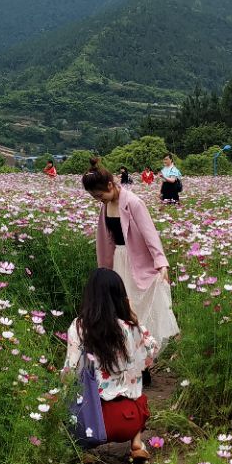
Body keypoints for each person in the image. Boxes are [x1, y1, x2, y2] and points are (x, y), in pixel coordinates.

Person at [82, 157, 179, 376]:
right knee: (121, 312)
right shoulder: (106, 207)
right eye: (94, 197)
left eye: (100, 195)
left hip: (138, 262)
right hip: (117, 262)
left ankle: (144, 362)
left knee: (140, 311)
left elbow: (150, 234)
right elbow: (105, 239)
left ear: (110, 185)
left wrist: (161, 263)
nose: (99, 200)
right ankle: (128, 360)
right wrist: (104, 269)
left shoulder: (133, 202)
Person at [63, 268, 159, 464]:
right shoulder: (129, 328)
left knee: (70, 405)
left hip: (94, 422)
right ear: (120, 297)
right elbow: (152, 350)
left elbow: (69, 371)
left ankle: (82, 451)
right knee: (139, 396)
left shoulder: (79, 327)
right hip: (128, 419)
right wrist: (133, 318)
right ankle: (136, 443)